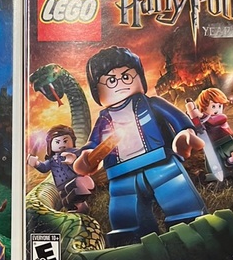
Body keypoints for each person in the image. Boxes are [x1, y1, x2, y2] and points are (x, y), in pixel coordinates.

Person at [71, 46, 206, 247]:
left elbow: (177, 118)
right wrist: (87, 157)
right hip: (121, 174)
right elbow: (93, 144)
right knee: (127, 216)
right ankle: (132, 244)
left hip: (160, 163)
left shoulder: (151, 103)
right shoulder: (104, 119)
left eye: (126, 77)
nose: (120, 84)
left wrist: (185, 134)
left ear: (140, 79)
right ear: (97, 90)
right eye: (110, 80)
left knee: (179, 199)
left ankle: (192, 231)